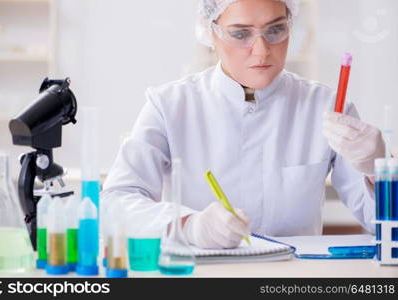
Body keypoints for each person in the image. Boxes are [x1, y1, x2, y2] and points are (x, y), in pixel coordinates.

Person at [101, 0, 385, 249]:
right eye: (240, 34)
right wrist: (188, 225)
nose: (261, 51)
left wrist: (381, 170)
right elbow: (116, 204)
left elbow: (384, 225)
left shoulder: (324, 106)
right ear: (210, 32)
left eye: (275, 30)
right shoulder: (170, 105)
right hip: (201, 276)